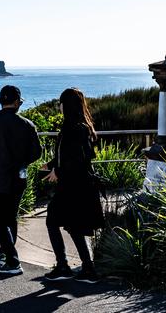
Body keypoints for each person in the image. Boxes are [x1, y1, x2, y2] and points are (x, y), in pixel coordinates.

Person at [0, 85, 42, 275]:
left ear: (1, 102)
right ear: (16, 102)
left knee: (0, 219)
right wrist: (22, 162)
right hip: (19, 177)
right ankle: (6, 254)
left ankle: (12, 260)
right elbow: (36, 153)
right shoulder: (27, 125)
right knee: (11, 217)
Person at [42, 87, 105, 283]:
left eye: (60, 103)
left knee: (53, 221)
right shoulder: (80, 127)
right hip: (78, 184)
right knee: (74, 226)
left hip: (72, 185)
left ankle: (64, 266)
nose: (58, 107)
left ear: (65, 105)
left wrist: (57, 171)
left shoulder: (72, 129)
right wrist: (52, 165)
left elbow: (77, 159)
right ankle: (87, 269)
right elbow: (75, 155)